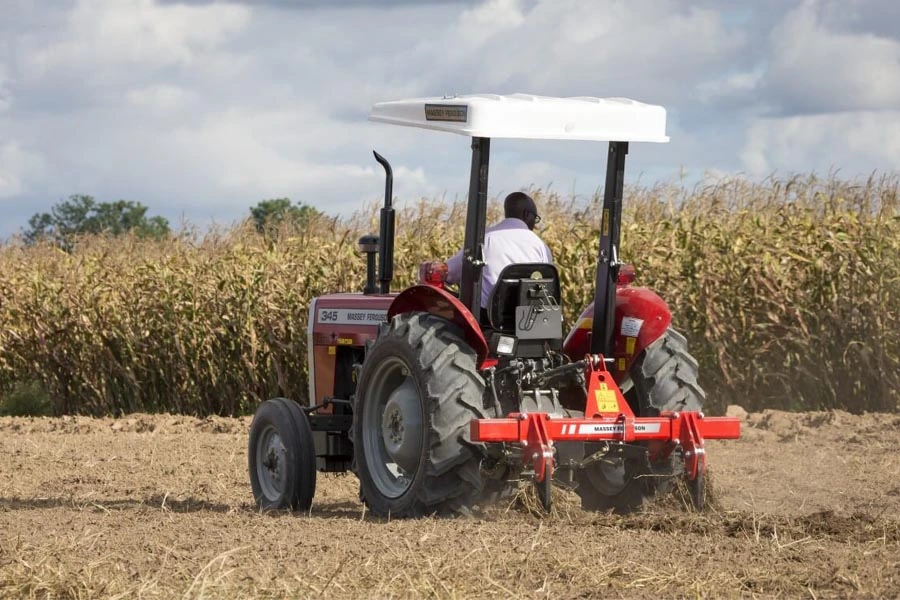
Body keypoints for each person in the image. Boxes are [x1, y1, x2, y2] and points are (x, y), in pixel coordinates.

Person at [444, 191, 553, 309]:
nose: (534, 224)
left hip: (486, 320)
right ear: (526, 214)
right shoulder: (541, 247)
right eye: (535, 218)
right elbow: (547, 289)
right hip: (528, 322)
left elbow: (449, 274)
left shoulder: (484, 239)